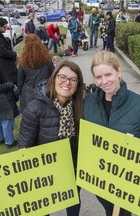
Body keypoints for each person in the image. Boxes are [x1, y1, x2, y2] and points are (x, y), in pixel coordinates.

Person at [83, 51, 140, 216]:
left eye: (108, 74)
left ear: (119, 72)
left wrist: (135, 148)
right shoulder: (88, 103)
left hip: (127, 181)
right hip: (100, 179)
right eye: (98, 77)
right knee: (109, 210)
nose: (104, 81)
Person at [18, 60, 84, 216]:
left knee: (73, 201)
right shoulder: (35, 108)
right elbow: (24, 147)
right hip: (44, 172)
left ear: (77, 85)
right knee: (43, 209)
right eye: (62, 77)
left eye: (73, 79)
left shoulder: (79, 106)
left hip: (72, 167)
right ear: (54, 78)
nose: (67, 83)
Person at [17, 34, 54, 112]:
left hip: (29, 92)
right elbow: (53, 74)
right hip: (44, 90)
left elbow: (20, 81)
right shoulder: (47, 58)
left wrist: (20, 94)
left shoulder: (23, 60)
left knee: (30, 116)